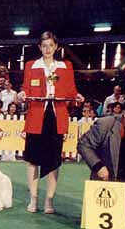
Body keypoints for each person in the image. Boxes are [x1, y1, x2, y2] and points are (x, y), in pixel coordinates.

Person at [17, 31, 83, 214]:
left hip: (57, 116)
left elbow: (71, 91)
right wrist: (22, 94)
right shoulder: (31, 65)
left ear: (56, 47)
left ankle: (49, 201)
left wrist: (76, 96)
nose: (47, 49)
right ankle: (33, 199)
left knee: (54, 161)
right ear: (40, 47)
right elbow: (26, 88)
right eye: (44, 45)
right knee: (32, 160)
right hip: (36, 116)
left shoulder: (65, 66)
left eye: (50, 45)